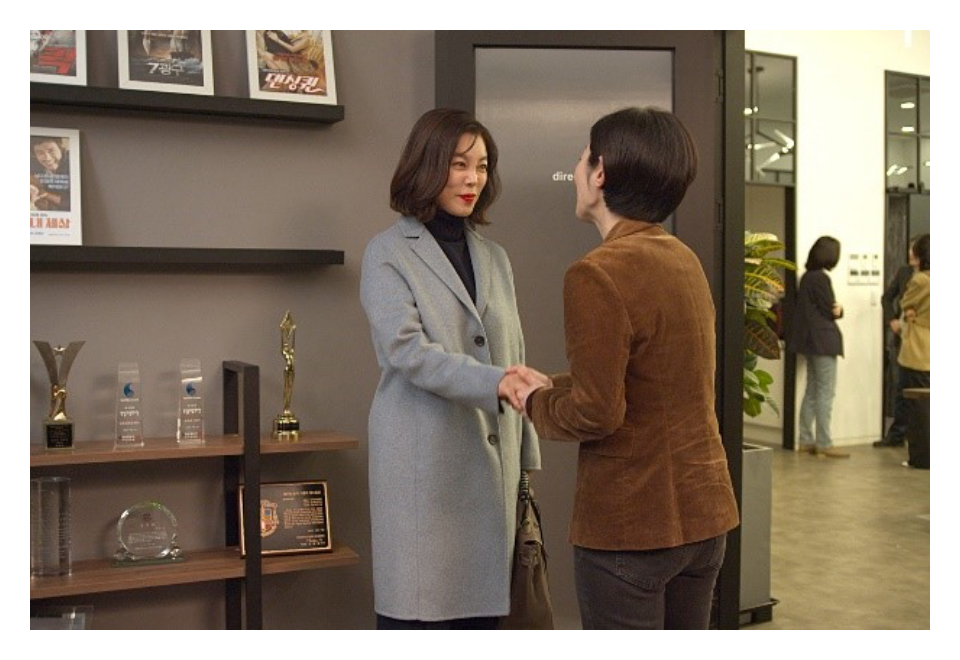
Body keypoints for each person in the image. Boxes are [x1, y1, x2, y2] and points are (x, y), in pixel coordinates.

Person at [514, 107, 739, 630]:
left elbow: (597, 413)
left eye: (582, 158)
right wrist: (552, 385)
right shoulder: (682, 259)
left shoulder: (596, 272)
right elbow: (654, 380)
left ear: (600, 174)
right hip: (704, 516)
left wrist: (532, 402)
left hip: (631, 526)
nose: (577, 170)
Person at [360, 108, 541, 630]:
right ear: (427, 164)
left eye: (482, 167)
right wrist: (496, 382)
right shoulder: (387, 253)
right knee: (424, 613)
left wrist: (525, 460)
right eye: (459, 164)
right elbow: (406, 351)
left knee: (484, 616)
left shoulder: (494, 257)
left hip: (493, 467)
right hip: (424, 471)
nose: (472, 180)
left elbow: (513, 348)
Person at [787, 236, 849, 458]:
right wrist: (840, 310)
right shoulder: (821, 278)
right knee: (825, 392)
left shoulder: (806, 277)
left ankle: (805, 439)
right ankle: (824, 442)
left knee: (812, 391)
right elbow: (830, 309)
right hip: (824, 341)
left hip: (810, 342)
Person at [875, 244, 920, 447]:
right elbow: (887, 298)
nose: (910, 253)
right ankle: (897, 434)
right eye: (909, 249)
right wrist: (892, 320)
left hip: (922, 340)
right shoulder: (904, 272)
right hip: (903, 337)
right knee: (901, 386)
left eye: (914, 250)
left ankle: (918, 436)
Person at [897, 234, 930, 469]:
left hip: (920, 348)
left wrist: (910, 312)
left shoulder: (920, 280)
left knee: (918, 408)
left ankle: (921, 458)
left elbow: (905, 302)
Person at [30, 137, 70, 211]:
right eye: (40, 153)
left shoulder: (72, 162)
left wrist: (45, 194)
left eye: (51, 151)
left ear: (61, 148)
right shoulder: (33, 161)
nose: (47, 158)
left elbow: (71, 203)